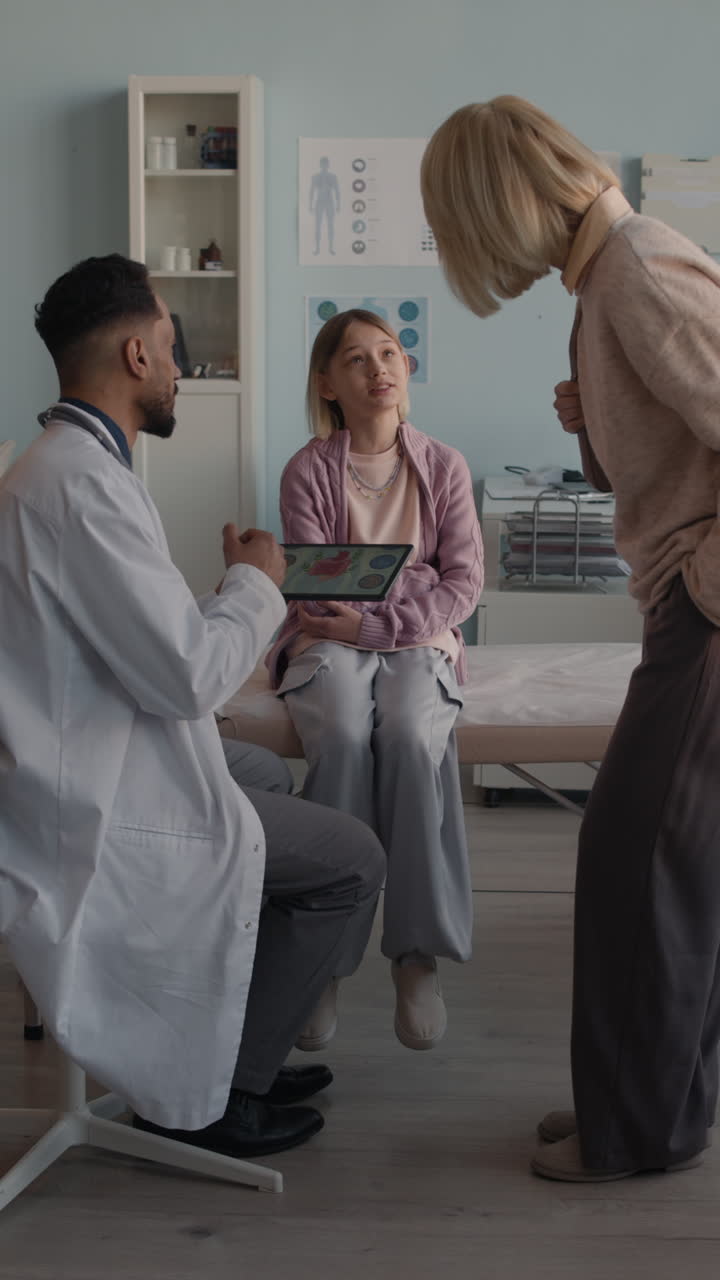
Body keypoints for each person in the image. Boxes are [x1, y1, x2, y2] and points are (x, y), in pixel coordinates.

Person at [0, 255, 385, 1161]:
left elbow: (143, 642)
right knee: (351, 859)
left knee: (256, 769)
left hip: (79, 751)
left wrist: (232, 596)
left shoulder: (64, 467)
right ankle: (220, 1095)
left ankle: (234, 1039)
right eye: (174, 348)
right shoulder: (82, 488)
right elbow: (185, 679)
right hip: (89, 799)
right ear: (137, 355)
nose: (180, 368)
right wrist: (257, 583)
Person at [421, 94, 720, 1183]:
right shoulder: (606, 279)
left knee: (638, 865)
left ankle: (634, 1131)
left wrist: (706, 576)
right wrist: (598, 417)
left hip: (705, 607)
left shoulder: (635, 264)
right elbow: (672, 442)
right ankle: (654, 1106)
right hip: (685, 601)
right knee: (667, 872)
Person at [267, 309, 484, 1051]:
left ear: (406, 370)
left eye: (388, 353)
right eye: (356, 359)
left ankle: (415, 954)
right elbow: (314, 587)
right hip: (329, 639)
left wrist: (375, 613)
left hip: (409, 639)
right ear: (328, 383)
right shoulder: (308, 470)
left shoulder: (445, 466)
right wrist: (398, 587)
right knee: (348, 731)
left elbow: (463, 584)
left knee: (416, 733)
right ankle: (323, 959)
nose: (379, 368)